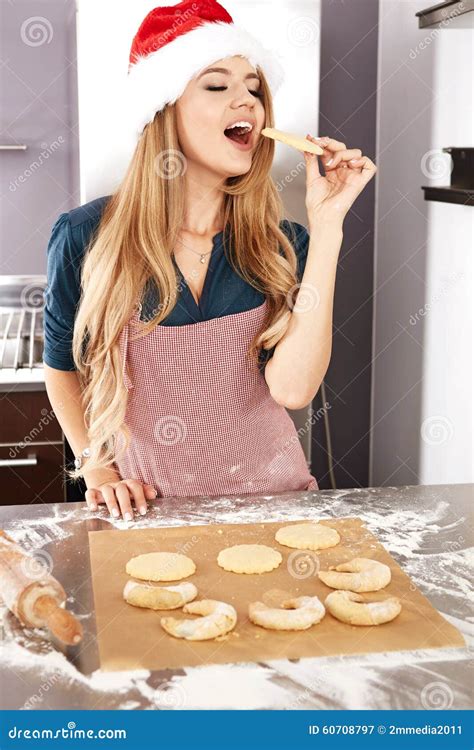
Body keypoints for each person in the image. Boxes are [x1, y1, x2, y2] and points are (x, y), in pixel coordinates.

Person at [43, 0, 376, 520]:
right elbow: (61, 367)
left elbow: (293, 389)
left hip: (277, 509)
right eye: (218, 85)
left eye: (254, 88)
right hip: (148, 515)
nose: (246, 99)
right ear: (164, 109)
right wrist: (97, 466)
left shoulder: (284, 244)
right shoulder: (87, 237)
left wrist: (329, 225)